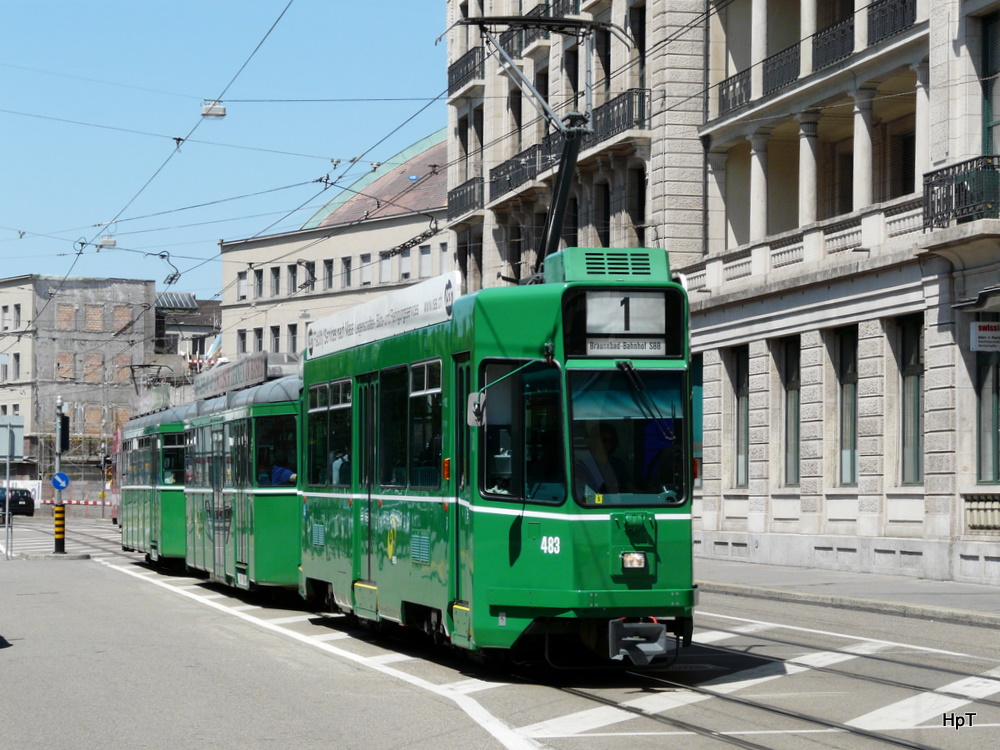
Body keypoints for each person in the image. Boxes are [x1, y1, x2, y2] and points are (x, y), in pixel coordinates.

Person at [575, 421, 629, 494]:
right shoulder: (583, 466)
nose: (607, 444)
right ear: (594, 440)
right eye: (603, 440)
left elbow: (628, 488)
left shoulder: (618, 465)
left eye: (610, 441)